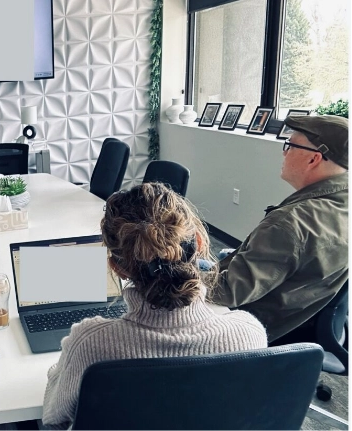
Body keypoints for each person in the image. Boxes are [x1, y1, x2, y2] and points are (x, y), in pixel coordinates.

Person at [42, 183, 267, 431]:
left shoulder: (90, 344)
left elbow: (54, 417)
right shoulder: (249, 334)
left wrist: (61, 369)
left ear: (116, 267)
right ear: (201, 243)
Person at [212, 115, 348, 343]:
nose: (284, 152)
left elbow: (226, 292)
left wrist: (169, 274)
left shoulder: (290, 223)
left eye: (290, 145)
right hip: (303, 323)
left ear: (314, 159)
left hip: (251, 329)